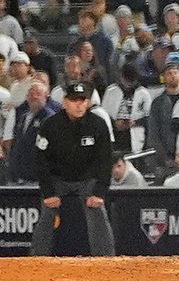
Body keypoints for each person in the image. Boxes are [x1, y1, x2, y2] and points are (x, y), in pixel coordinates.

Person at [30, 81, 115, 257]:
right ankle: (37, 258)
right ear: (65, 102)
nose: (79, 104)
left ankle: (106, 259)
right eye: (74, 100)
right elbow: (40, 159)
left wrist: (99, 192)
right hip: (57, 178)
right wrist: (48, 192)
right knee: (47, 213)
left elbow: (105, 160)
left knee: (98, 211)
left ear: (88, 102)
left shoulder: (98, 124)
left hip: (87, 179)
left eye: (82, 100)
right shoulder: (50, 125)